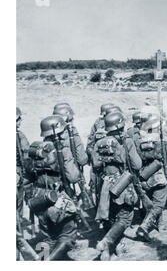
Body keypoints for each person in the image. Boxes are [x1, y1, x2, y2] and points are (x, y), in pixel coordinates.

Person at [27, 115, 82, 260]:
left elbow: (29, 176)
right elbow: (73, 177)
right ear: (58, 131)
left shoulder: (34, 150)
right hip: (58, 199)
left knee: (47, 238)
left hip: (39, 199)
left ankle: (43, 259)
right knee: (67, 235)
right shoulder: (62, 150)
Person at [92, 111, 142, 260]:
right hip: (122, 184)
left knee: (111, 217)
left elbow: (95, 165)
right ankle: (106, 243)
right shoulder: (126, 141)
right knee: (126, 217)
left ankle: (113, 249)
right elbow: (137, 164)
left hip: (105, 184)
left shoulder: (99, 143)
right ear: (120, 125)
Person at [16, 107, 30, 220]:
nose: (20, 121)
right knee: (18, 201)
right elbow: (26, 154)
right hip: (17, 172)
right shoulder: (19, 135)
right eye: (19, 119)